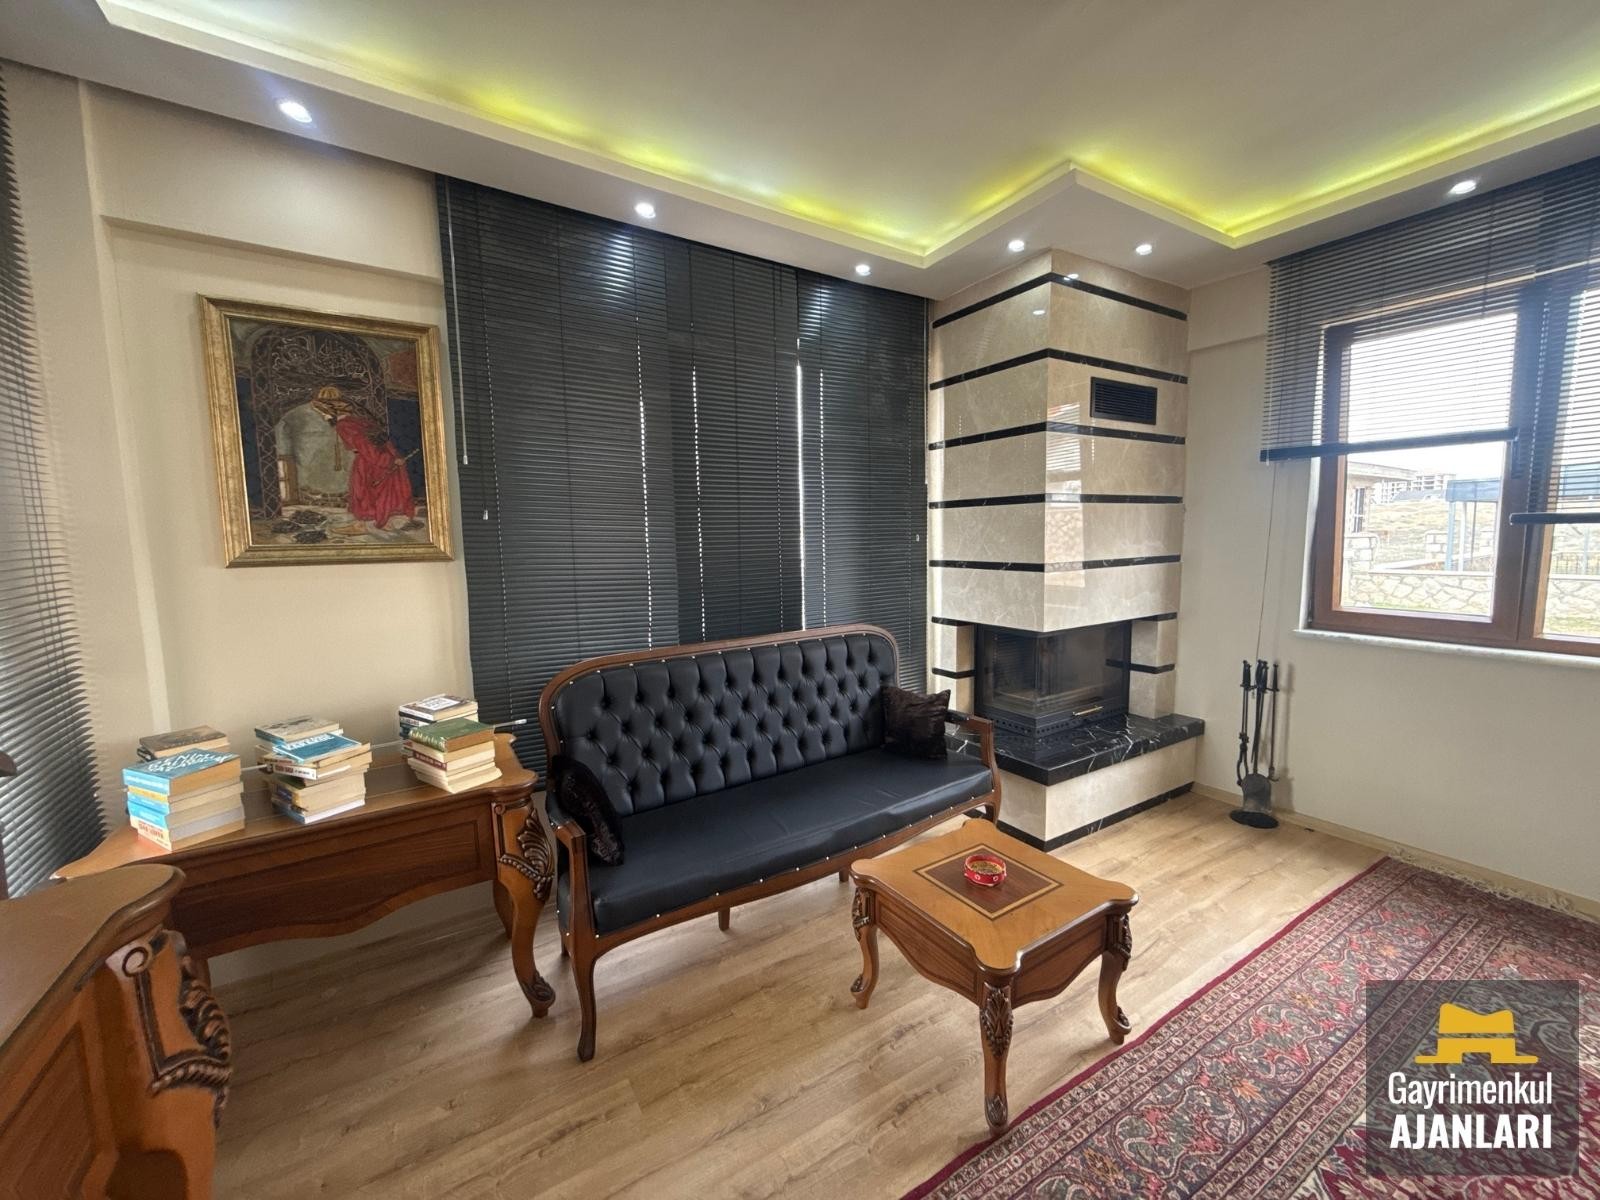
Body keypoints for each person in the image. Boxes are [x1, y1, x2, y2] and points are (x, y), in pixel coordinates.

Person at [310, 386, 416, 530]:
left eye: (323, 413)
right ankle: (383, 522)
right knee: (376, 492)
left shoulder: (343, 425)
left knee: (362, 491)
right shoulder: (358, 421)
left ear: (331, 410)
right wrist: (393, 457)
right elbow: (383, 441)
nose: (324, 417)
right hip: (379, 457)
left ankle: (361, 526)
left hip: (369, 461)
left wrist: (386, 461)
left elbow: (366, 446)